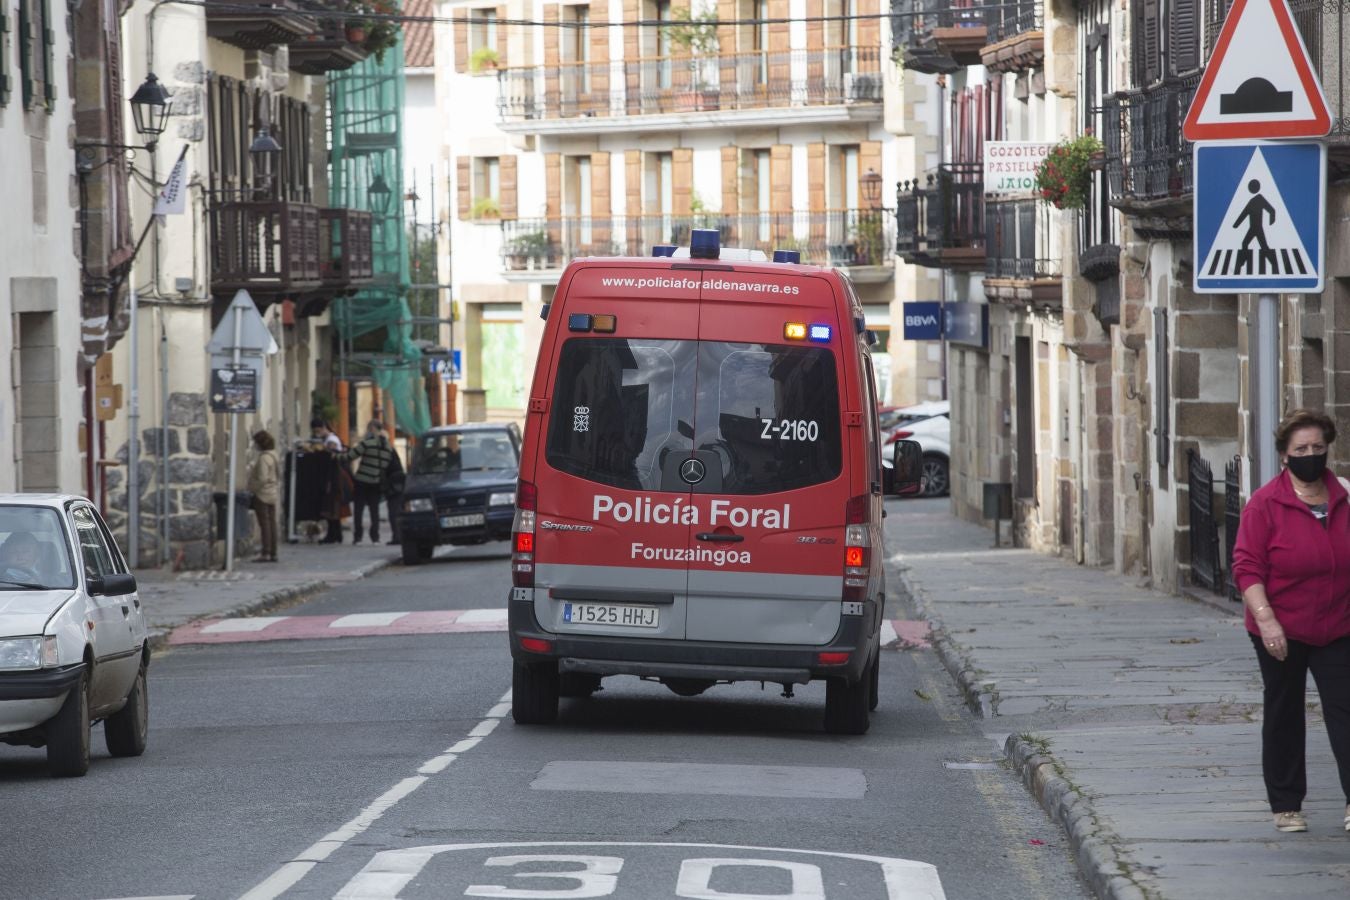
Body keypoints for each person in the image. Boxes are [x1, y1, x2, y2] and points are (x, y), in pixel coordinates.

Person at [1232, 409, 1350, 834]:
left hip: (1337, 625)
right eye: (1301, 449)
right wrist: (1267, 621)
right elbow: (1246, 567)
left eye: (1318, 447)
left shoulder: (1345, 497)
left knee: (1346, 709)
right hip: (1279, 625)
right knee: (1284, 712)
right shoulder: (1265, 504)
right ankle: (1286, 805)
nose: (1311, 455)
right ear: (1285, 455)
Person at [342, 419, 396, 544]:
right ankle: (375, 537)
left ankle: (358, 537)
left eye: (368, 428)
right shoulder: (388, 447)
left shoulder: (367, 443)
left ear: (372, 428)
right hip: (376, 481)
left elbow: (350, 456)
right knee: (374, 511)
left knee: (359, 509)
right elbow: (386, 464)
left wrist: (337, 456)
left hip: (362, 480)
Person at [310, 418, 346, 544]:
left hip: (333, 478)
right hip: (332, 477)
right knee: (331, 507)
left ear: (324, 427)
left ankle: (334, 535)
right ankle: (336, 534)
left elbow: (332, 456)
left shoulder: (331, 440)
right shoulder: (328, 439)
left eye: (318, 430)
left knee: (332, 507)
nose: (317, 433)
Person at [247, 429, 280, 562]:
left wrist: (252, 488)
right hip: (272, 492)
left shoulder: (264, 458)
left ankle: (266, 552)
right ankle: (273, 552)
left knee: (264, 524)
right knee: (271, 523)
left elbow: (262, 478)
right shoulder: (274, 455)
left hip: (262, 494)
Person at [383, 441, 406, 546]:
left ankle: (398, 536)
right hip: (396, 484)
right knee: (395, 511)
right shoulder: (391, 451)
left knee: (394, 512)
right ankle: (398, 536)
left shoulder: (386, 453)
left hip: (394, 486)